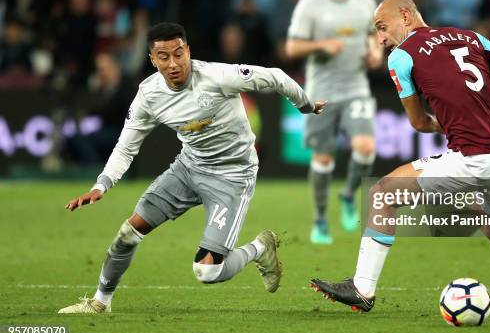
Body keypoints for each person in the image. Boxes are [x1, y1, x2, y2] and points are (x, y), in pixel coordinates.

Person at [310, 0, 490, 317]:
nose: (381, 38)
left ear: (407, 16)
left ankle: (362, 288)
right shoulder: (468, 36)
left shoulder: (403, 56)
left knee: (382, 193)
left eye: (383, 27)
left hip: (473, 158)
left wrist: (449, 126)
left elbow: (419, 122)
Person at [58, 22, 325, 314]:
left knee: (207, 271)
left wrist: (306, 106)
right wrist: (101, 185)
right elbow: (126, 146)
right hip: (188, 168)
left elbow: (275, 77)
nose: (173, 63)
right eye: (163, 56)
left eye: (178, 54)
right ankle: (100, 302)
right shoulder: (149, 94)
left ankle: (260, 248)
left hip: (232, 175)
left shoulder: (217, 76)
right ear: (152, 59)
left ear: (188, 51)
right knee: (127, 233)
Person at [286, 0, 383, 244]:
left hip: (356, 88)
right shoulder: (309, 5)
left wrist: (375, 54)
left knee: (366, 147)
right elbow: (292, 47)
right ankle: (319, 221)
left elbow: (375, 36)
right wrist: (320, 46)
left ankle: (348, 194)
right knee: (323, 158)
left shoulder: (365, 1)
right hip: (321, 93)